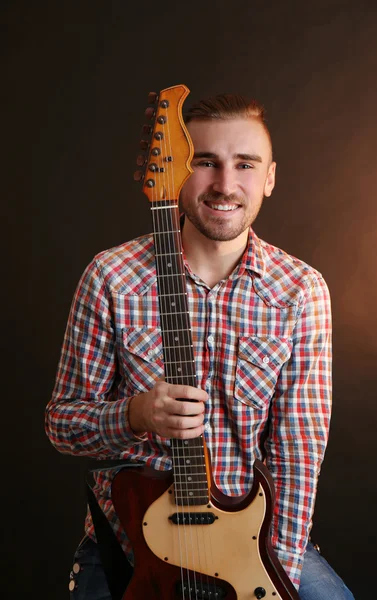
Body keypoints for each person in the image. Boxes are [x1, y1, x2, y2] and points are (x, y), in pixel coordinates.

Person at [45, 93, 354, 600]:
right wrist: (135, 414)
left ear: (270, 178)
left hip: (250, 540)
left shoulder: (300, 290)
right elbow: (62, 426)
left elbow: (298, 455)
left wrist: (270, 577)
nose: (225, 185)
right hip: (129, 542)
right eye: (205, 162)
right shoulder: (111, 277)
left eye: (245, 164)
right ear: (174, 174)